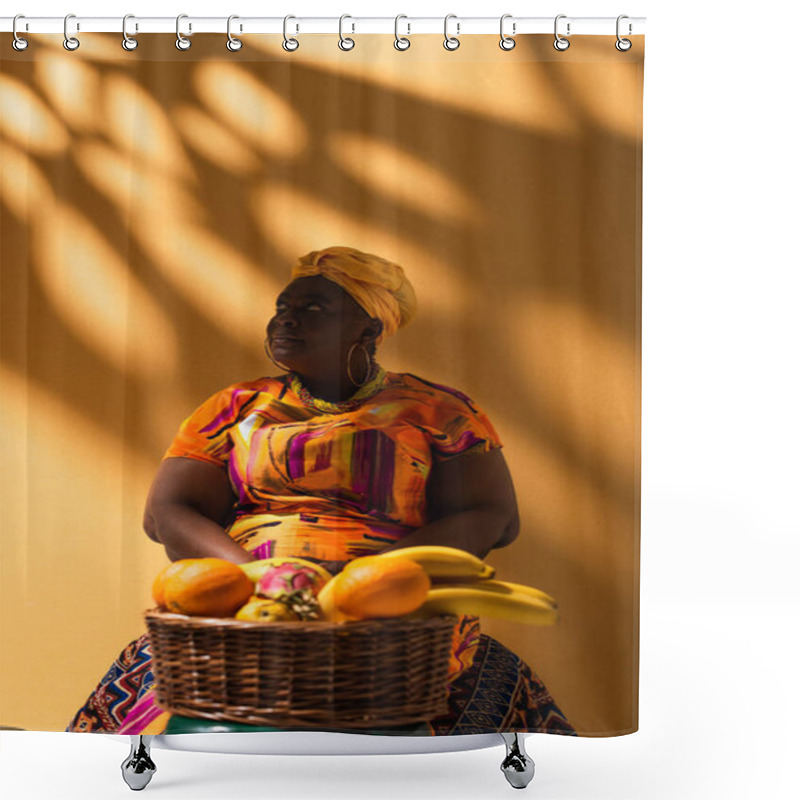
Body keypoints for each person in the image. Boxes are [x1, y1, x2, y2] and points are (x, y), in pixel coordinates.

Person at [66, 246, 576, 736]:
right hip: (243, 607)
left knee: (472, 707)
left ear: (369, 329)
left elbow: (492, 516)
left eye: (313, 309)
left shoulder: (438, 410)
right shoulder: (237, 405)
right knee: (147, 705)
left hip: (395, 609)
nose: (285, 320)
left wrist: (367, 580)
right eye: (281, 308)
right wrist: (270, 581)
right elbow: (168, 513)